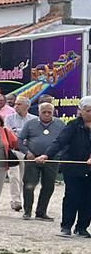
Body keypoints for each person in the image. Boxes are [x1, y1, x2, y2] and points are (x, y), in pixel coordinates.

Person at [46, 96, 91, 237]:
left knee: (88, 198)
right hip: (73, 167)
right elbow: (59, 142)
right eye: (88, 110)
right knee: (72, 196)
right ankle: (66, 226)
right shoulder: (73, 125)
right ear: (81, 111)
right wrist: (47, 155)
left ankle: (82, 227)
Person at [19, 98, 63, 220]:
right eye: (44, 112)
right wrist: (27, 152)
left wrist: (59, 154)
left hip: (52, 159)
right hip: (33, 158)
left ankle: (41, 212)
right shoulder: (30, 124)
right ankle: (27, 211)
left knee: (49, 186)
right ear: (39, 112)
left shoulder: (60, 124)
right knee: (29, 185)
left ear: (53, 112)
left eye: (49, 112)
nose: (47, 114)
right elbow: (20, 140)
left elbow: (65, 141)